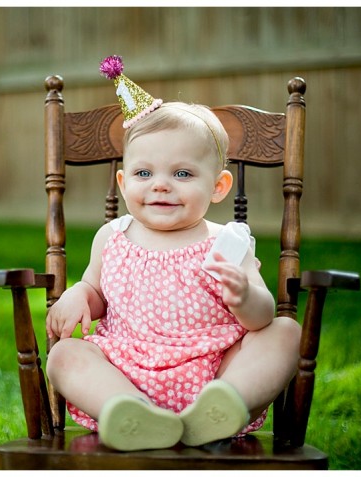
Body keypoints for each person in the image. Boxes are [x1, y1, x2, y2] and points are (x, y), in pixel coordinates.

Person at [44, 56, 301, 451]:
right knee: (65, 355)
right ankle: (131, 412)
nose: (160, 186)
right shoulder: (111, 236)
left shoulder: (228, 242)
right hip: (125, 371)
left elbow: (261, 316)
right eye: (144, 173)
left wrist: (246, 297)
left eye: (182, 174)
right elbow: (96, 293)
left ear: (218, 187)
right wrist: (79, 293)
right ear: (123, 181)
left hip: (215, 373)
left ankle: (224, 407)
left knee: (284, 332)